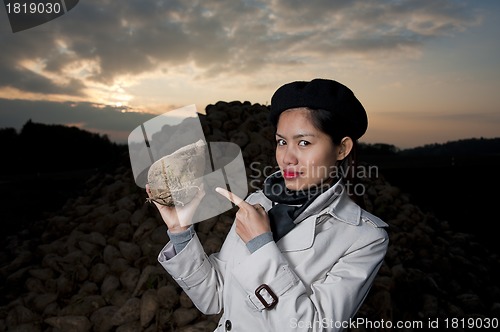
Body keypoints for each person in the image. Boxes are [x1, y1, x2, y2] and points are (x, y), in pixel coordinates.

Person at [148, 78, 389, 331]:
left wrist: (261, 245)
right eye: (282, 141)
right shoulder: (256, 202)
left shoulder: (365, 237)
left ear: (342, 148)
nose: (287, 158)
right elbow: (214, 298)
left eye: (304, 142)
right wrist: (180, 232)